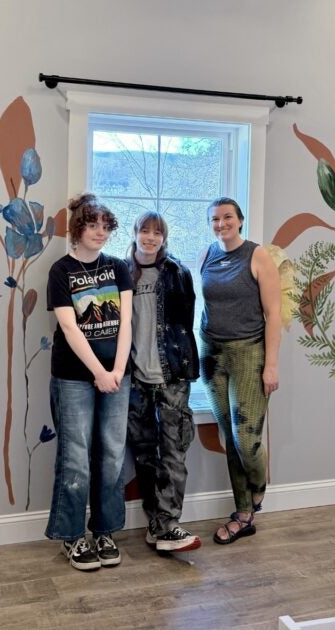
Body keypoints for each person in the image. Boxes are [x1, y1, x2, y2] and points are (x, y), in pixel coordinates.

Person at [45, 193, 133, 571]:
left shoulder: (118, 269)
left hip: (117, 376)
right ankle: (72, 537)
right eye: (91, 225)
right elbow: (68, 325)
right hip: (74, 378)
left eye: (105, 226)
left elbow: (126, 322)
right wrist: (98, 372)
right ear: (76, 229)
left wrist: (116, 370)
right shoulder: (61, 271)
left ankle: (105, 530)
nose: (99, 232)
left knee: (112, 456)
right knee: (75, 459)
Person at [199, 197, 282, 545]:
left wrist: (271, 365)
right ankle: (243, 513)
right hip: (211, 353)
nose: (222, 224)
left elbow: (273, 313)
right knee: (227, 437)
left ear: (240, 220)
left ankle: (257, 492)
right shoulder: (207, 255)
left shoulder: (257, 255)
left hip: (248, 353)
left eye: (228, 217)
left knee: (247, 440)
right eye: (215, 219)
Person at [126, 211, 202, 553]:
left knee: (174, 452)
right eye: (145, 230)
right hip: (134, 379)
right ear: (135, 234)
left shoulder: (177, 273)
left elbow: (184, 325)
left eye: (157, 232)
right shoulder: (122, 273)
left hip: (171, 376)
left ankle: (169, 523)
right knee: (144, 454)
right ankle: (156, 524)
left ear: (164, 238)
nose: (150, 237)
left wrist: (182, 368)